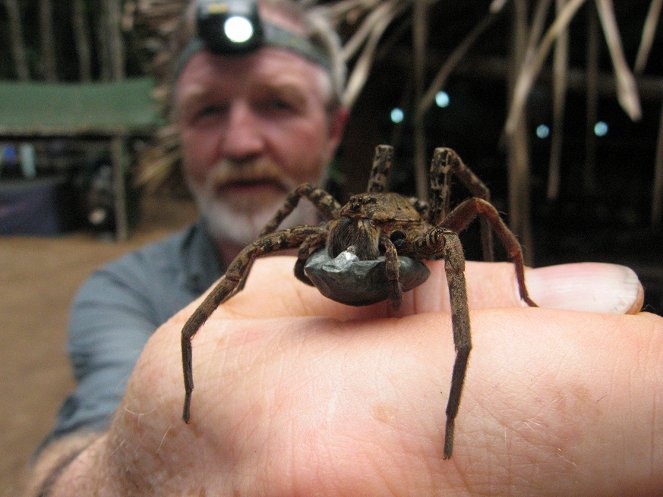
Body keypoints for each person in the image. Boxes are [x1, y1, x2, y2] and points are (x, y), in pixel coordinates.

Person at [23, 1, 663, 496]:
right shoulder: (122, 293)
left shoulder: (431, 230)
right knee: (273, 238)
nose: (242, 142)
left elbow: (474, 216)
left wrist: (517, 281)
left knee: (462, 209)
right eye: (208, 111)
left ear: (334, 128)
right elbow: (77, 435)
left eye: (277, 103)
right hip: (363, 221)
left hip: (409, 226)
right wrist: (112, 475)